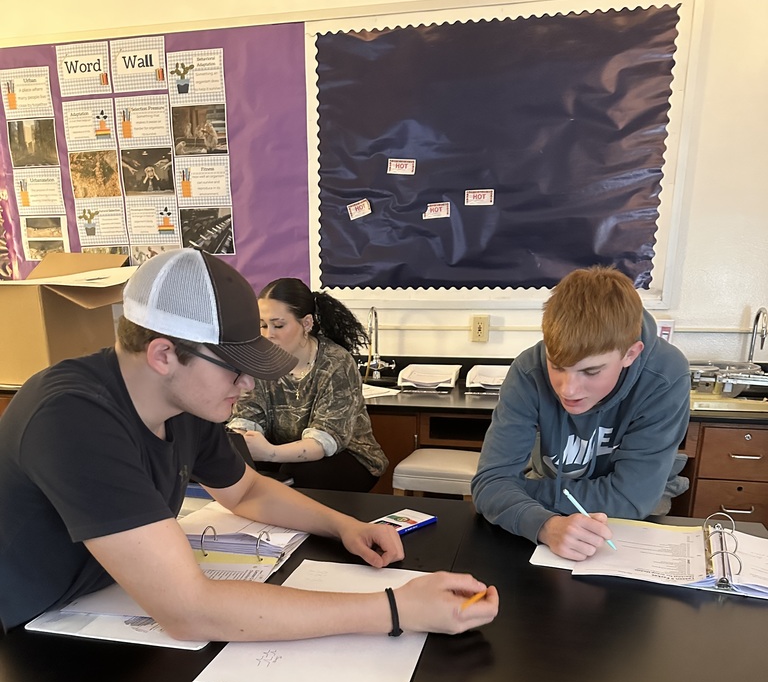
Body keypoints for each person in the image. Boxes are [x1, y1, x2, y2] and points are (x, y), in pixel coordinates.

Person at [0, 248, 498, 641]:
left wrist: (343, 526)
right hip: (28, 632)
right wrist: (395, 608)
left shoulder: (184, 405)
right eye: (235, 368)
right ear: (163, 355)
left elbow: (245, 491)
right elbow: (190, 611)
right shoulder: (72, 416)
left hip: (95, 602)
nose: (250, 385)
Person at [472, 266, 691, 561]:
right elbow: (491, 483)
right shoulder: (527, 369)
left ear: (630, 354)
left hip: (633, 517)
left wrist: (523, 491)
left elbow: (631, 499)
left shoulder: (665, 375)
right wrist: (545, 525)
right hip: (549, 513)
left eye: (590, 371)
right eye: (557, 366)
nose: (568, 390)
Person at [227, 277, 387, 491]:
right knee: (236, 467)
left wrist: (268, 452)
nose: (268, 335)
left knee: (297, 475)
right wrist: (240, 438)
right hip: (280, 451)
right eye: (262, 325)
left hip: (347, 456)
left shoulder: (336, 362)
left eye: (278, 325)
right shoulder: (260, 361)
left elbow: (325, 440)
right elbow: (247, 415)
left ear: (307, 323)